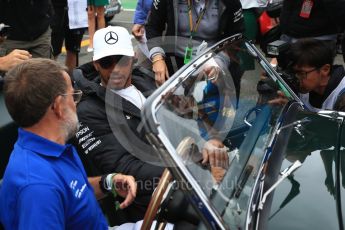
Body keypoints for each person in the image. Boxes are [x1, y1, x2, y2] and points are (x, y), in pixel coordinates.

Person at [0, 58, 137, 229]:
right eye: (73, 95)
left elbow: (72, 192)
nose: (75, 103)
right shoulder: (38, 190)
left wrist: (107, 182)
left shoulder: (51, 149)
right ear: (57, 106)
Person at [145, 0, 244, 86]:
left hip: (213, 57)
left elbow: (236, 36)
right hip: (176, 58)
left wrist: (220, 60)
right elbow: (153, 27)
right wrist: (157, 58)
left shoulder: (231, 2)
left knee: (232, 75)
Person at [270, 38, 345, 112]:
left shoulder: (341, 95)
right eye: (294, 72)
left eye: (301, 73)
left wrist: (294, 111)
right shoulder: (305, 85)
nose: (296, 77)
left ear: (325, 69)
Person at [51, 0, 85, 72]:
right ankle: (50, 80)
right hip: (55, 8)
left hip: (76, 7)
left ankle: (71, 80)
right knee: (53, 50)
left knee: (73, 49)